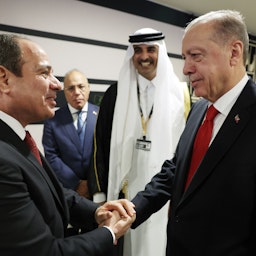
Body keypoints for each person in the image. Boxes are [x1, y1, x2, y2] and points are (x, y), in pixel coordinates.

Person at [131, 10, 256, 256]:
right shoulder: (199, 109)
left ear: (234, 52)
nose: (186, 69)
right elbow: (177, 169)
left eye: (196, 56)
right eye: (185, 57)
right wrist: (134, 208)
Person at [0, 33, 135, 256]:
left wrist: (97, 210)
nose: (57, 85)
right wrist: (109, 232)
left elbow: (49, 190)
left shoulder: (18, 138)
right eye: (44, 73)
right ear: (5, 79)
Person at [89, 28, 189, 256]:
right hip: (123, 194)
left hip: (164, 195)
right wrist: (99, 196)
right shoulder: (115, 94)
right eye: (137, 50)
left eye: (150, 49)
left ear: (160, 52)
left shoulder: (180, 94)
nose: (144, 56)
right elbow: (99, 146)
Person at [42, 69, 99, 200]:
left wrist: (93, 183)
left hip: (99, 189)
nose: (77, 92)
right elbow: (51, 156)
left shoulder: (102, 116)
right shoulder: (52, 120)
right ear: (65, 92)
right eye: (71, 88)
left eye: (81, 87)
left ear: (89, 88)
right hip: (69, 191)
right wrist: (77, 183)